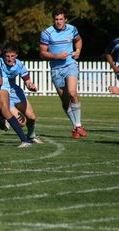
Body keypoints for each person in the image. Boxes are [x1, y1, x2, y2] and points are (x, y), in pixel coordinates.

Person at [39, 7, 87, 139]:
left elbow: (78, 40)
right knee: (65, 102)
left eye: (61, 19)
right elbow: (42, 53)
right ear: (53, 20)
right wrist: (57, 56)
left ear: (65, 19)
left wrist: (78, 51)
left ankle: (78, 125)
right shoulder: (47, 33)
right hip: (56, 69)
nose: (59, 22)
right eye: (56, 19)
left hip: (70, 65)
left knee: (72, 93)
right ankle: (75, 126)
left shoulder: (72, 29)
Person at [0, 43, 43, 144]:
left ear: (16, 55)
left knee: (32, 117)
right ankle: (3, 116)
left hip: (15, 92)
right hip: (3, 93)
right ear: (3, 55)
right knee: (22, 122)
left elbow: (27, 81)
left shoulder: (20, 65)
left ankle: (31, 136)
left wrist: (30, 85)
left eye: (12, 56)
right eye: (7, 56)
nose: (10, 59)